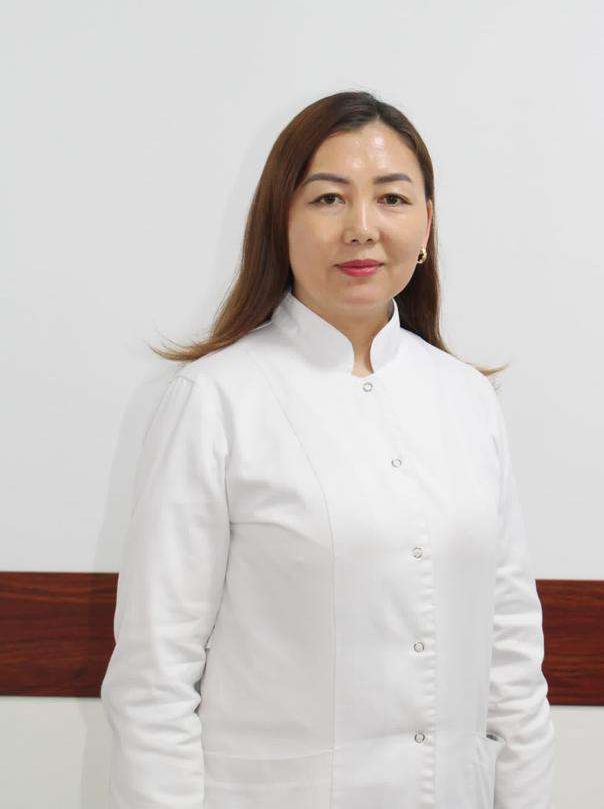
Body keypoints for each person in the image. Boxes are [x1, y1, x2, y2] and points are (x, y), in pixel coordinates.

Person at [100, 89, 555, 809]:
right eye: (328, 199)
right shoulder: (216, 399)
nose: (362, 228)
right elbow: (155, 676)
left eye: (392, 198)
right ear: (279, 221)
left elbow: (512, 657)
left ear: (427, 222)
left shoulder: (467, 399)